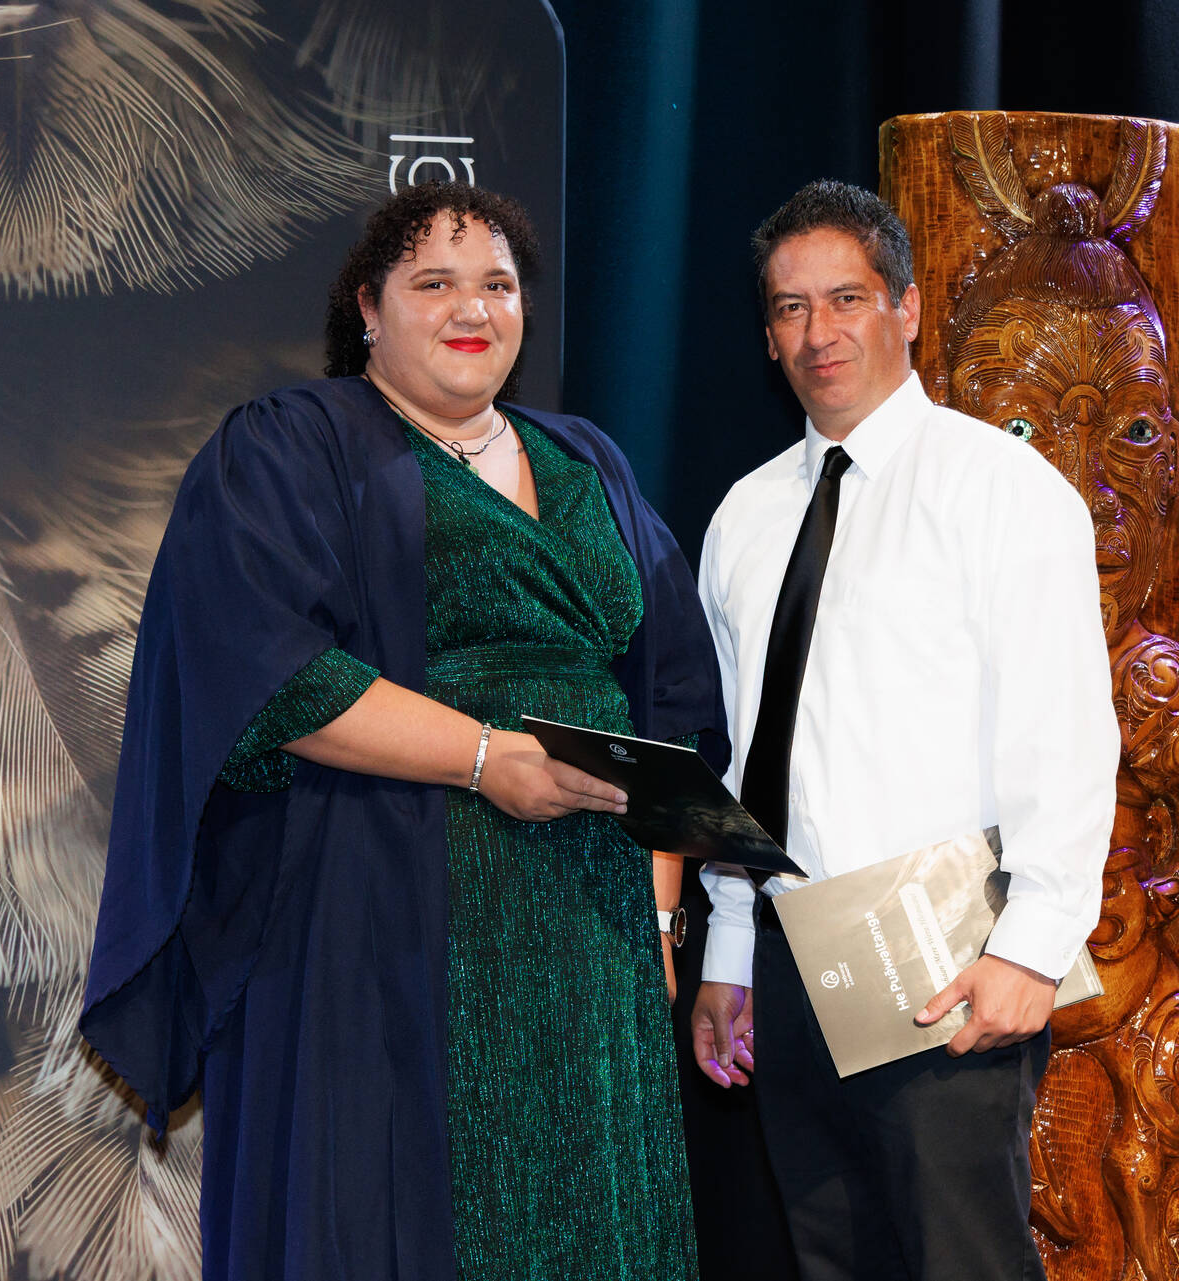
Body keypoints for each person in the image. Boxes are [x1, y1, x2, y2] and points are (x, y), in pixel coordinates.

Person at [80, 182, 724, 1281]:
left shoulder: (590, 462)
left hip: (593, 932)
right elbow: (268, 667)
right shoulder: (291, 444)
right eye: (434, 282)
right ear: (369, 309)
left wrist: (660, 917)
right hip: (383, 909)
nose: (473, 307)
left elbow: (672, 700)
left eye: (497, 285)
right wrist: (484, 759)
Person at [688, 179, 1117, 1280]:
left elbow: (1066, 735)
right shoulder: (743, 516)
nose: (818, 332)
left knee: (960, 1263)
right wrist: (731, 951)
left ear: (909, 308)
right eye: (790, 308)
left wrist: (1030, 947)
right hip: (792, 960)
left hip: (946, 965)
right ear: (768, 335)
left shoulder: (1002, 490)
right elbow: (740, 753)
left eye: (848, 299)